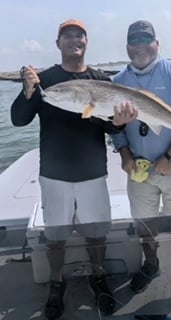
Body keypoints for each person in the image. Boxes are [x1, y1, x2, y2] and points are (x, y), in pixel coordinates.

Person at [11, 19, 137, 319]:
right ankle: (56, 285)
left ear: (86, 42)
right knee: (56, 236)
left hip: (93, 171)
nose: (73, 40)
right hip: (54, 174)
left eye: (79, 35)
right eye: (67, 36)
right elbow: (19, 119)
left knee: (97, 235)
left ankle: (98, 277)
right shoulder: (46, 80)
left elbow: (109, 126)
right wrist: (27, 91)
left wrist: (119, 123)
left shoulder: (101, 81)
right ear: (58, 44)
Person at [111, 20, 171, 317]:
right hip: (139, 172)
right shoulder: (117, 80)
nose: (140, 45)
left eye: (146, 39)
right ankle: (151, 265)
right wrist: (124, 155)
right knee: (143, 225)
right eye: (134, 39)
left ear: (157, 43)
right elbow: (113, 128)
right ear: (127, 46)